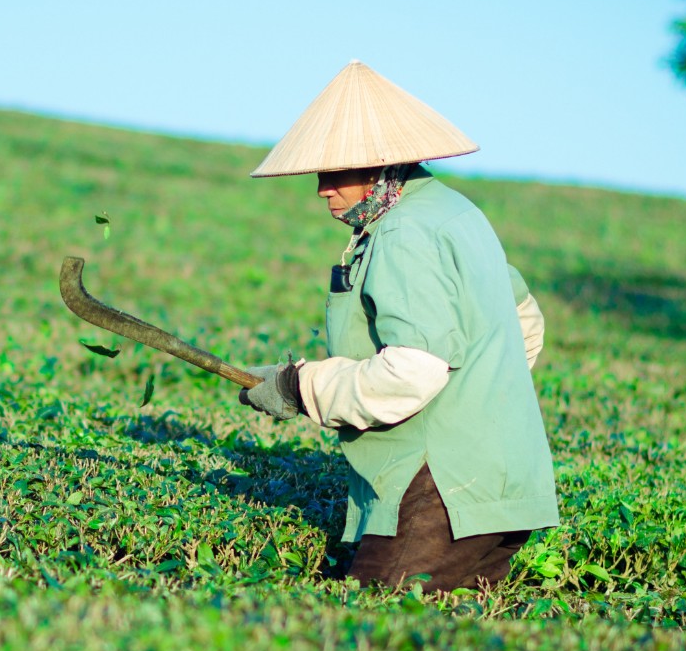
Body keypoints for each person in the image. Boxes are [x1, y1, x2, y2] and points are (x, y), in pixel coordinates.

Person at [237, 61, 559, 593]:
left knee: (371, 633)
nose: (321, 189)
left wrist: (300, 386)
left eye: (335, 171)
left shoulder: (403, 233)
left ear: (376, 165)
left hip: (441, 493)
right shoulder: (456, 214)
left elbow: (413, 370)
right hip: (498, 483)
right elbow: (522, 320)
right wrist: (477, 405)